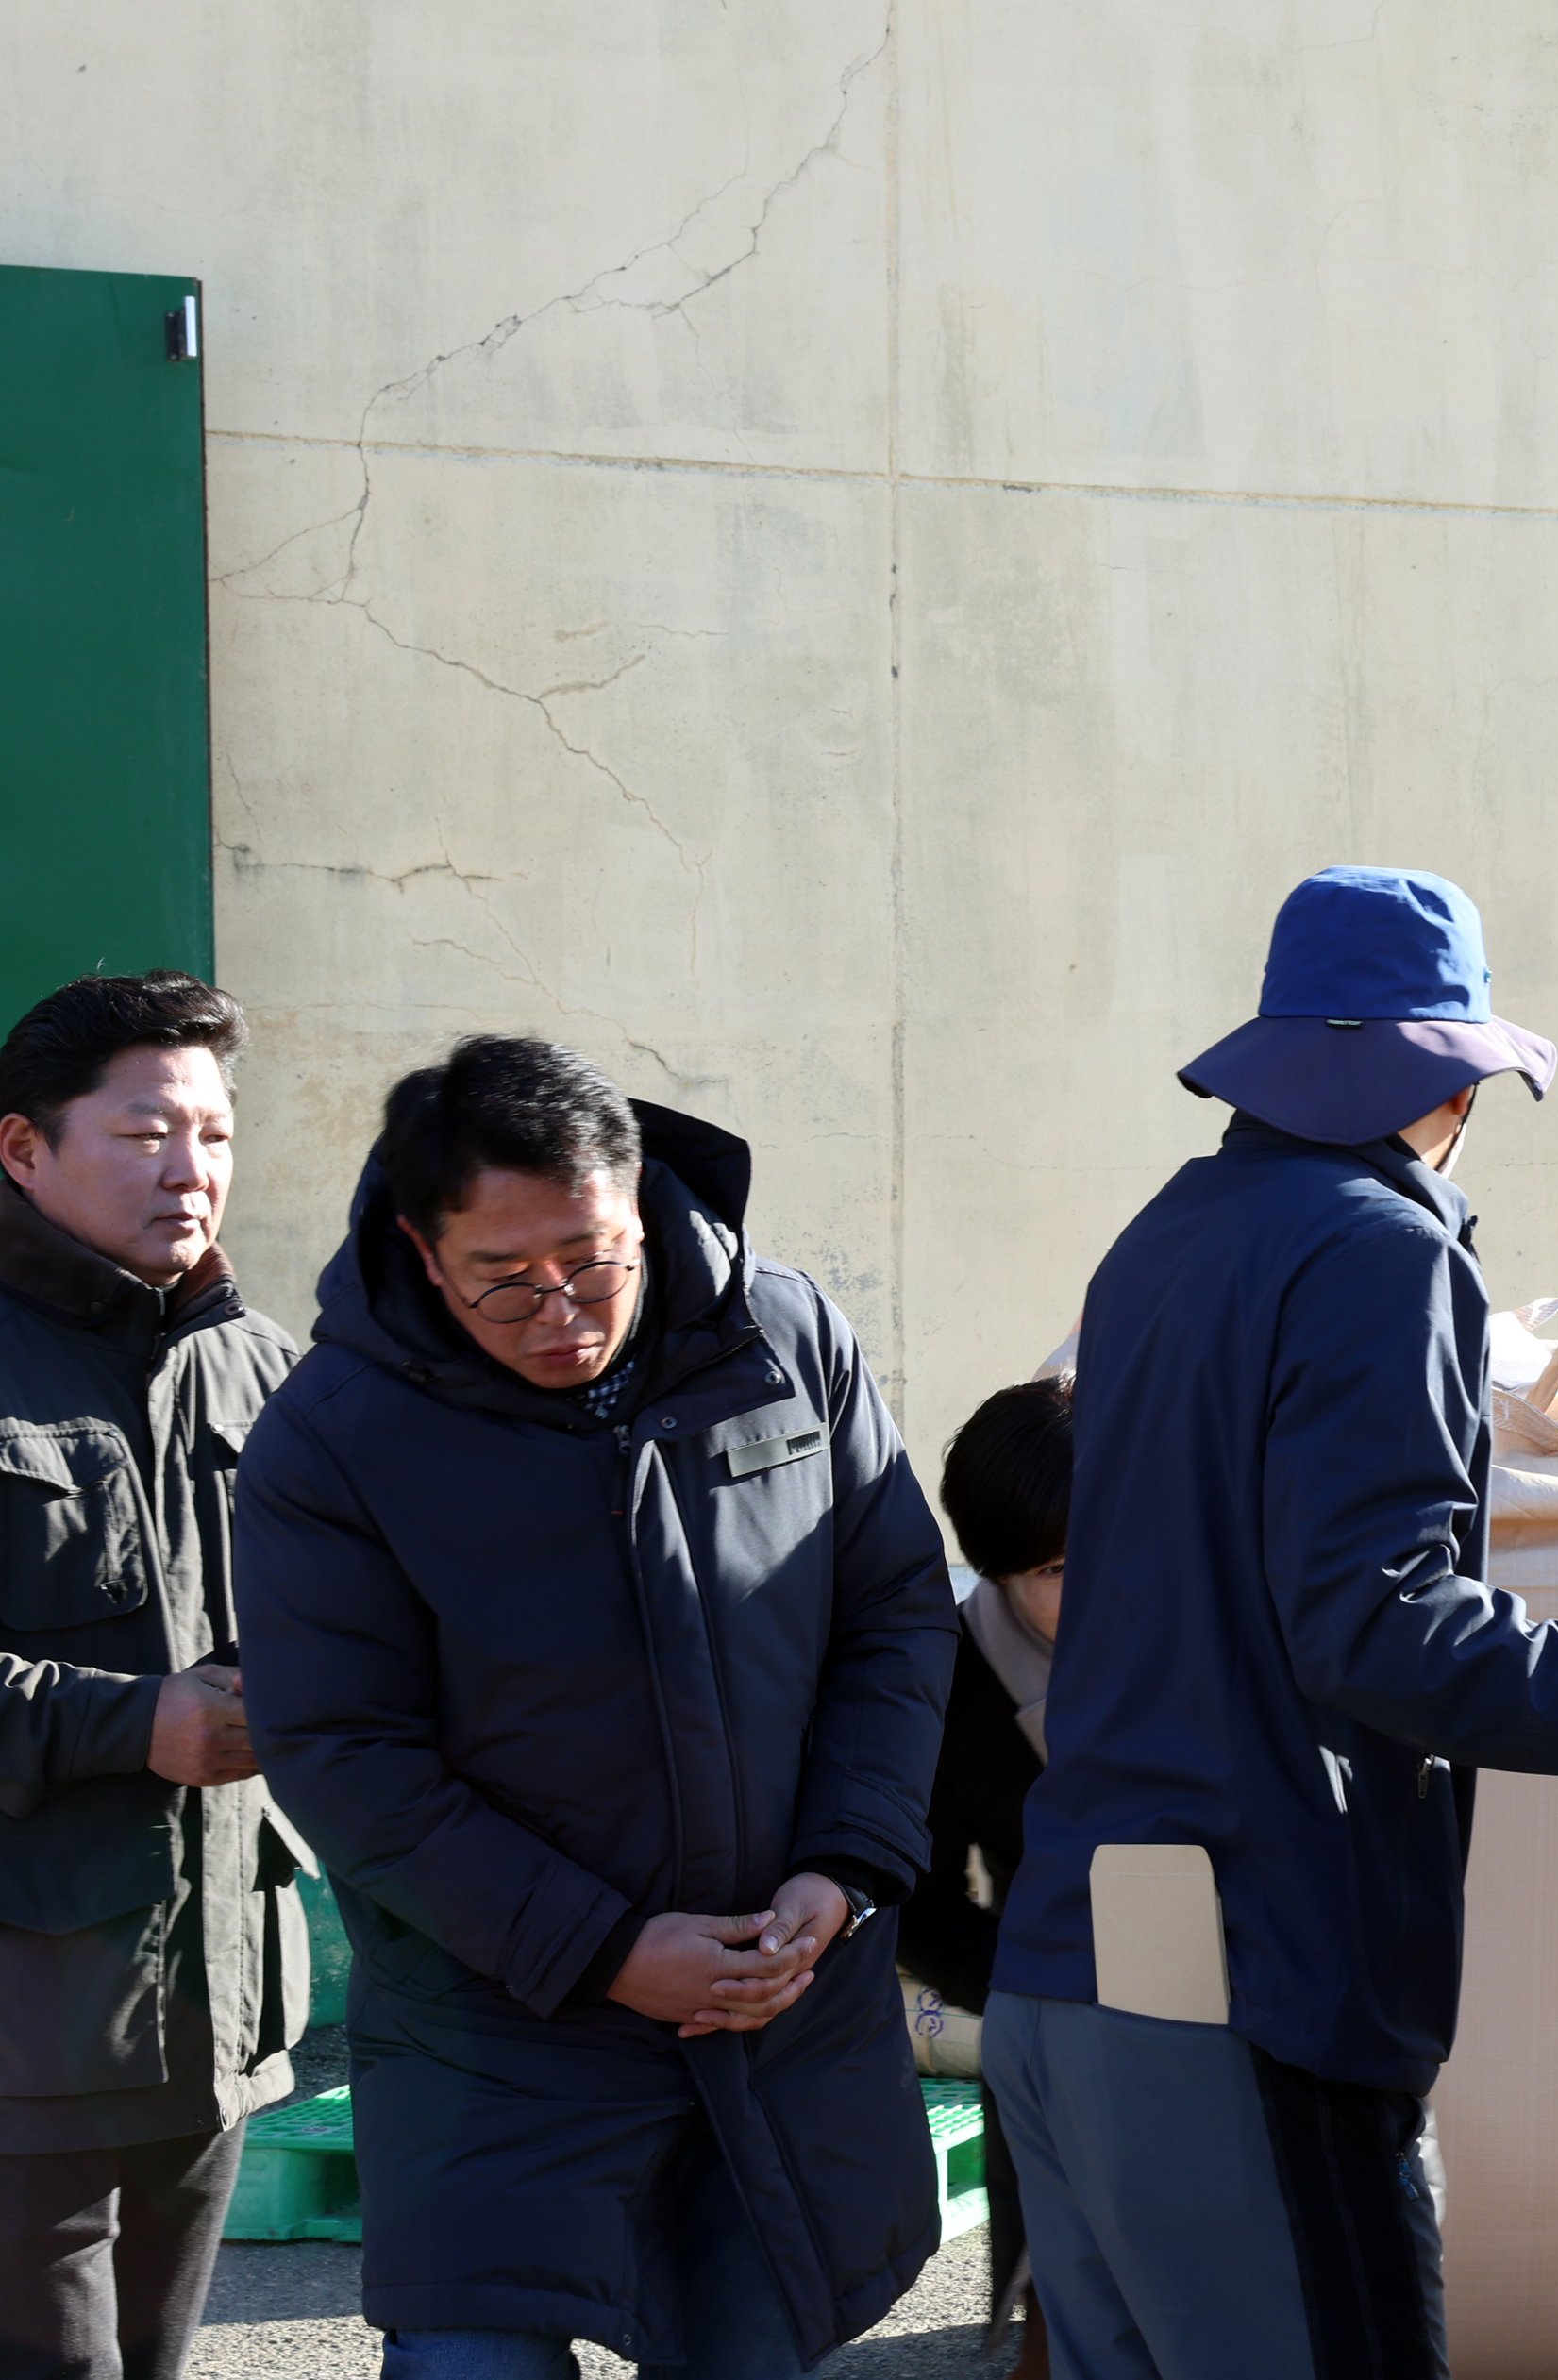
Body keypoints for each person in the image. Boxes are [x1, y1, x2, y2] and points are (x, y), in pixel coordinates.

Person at [981, 866, 1558, 2380]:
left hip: (1075, 1970)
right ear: (1451, 1086)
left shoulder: (1164, 1235)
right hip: (1255, 1979)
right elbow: (1380, 1620)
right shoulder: (1381, 1248)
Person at [234, 1036, 959, 2379]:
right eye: (502, 1279)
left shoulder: (784, 1338)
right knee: (471, 2355)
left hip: (777, 2000)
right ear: (420, 1243)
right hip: (502, 2028)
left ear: (639, 1201)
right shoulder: (336, 1437)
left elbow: (893, 1613)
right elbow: (344, 1753)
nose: (560, 1309)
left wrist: (847, 1865)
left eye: (592, 1260)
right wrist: (608, 1946)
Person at [0, 973, 308, 2380]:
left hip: (221, 2007)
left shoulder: (264, 1367)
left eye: (217, 1133)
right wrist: (137, 1720)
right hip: (23, 2030)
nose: (192, 1171)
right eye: (143, 1133)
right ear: (24, 1148)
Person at [904, 1375, 1071, 2380]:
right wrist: (1046, 1985)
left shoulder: (1230, 1625)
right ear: (1001, 1567)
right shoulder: (953, 1677)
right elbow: (910, 1900)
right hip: (1051, 2008)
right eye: (1056, 1566)